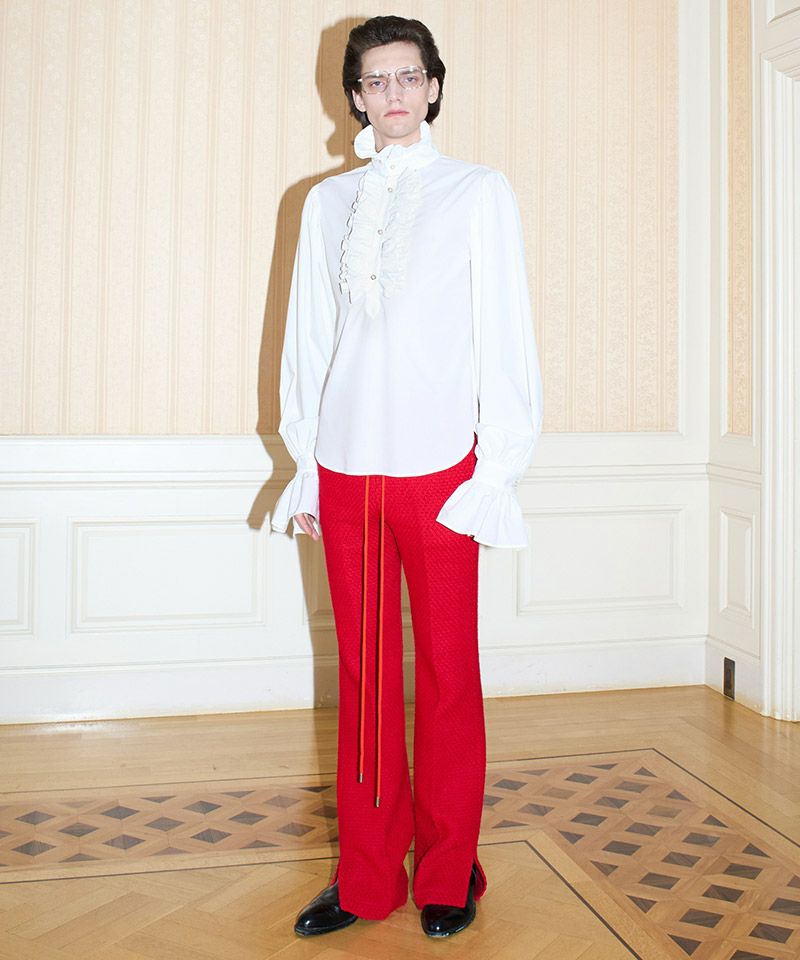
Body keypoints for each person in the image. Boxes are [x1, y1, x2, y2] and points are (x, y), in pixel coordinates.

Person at [271, 15, 543, 939]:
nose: (393, 93)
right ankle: (365, 879)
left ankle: (449, 871)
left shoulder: (479, 192)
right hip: (347, 466)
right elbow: (310, 340)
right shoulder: (325, 203)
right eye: (375, 79)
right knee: (365, 677)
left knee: (449, 672)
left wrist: (497, 467)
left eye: (408, 76)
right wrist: (306, 466)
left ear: (432, 86)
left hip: (442, 470)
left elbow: (505, 334)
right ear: (355, 96)